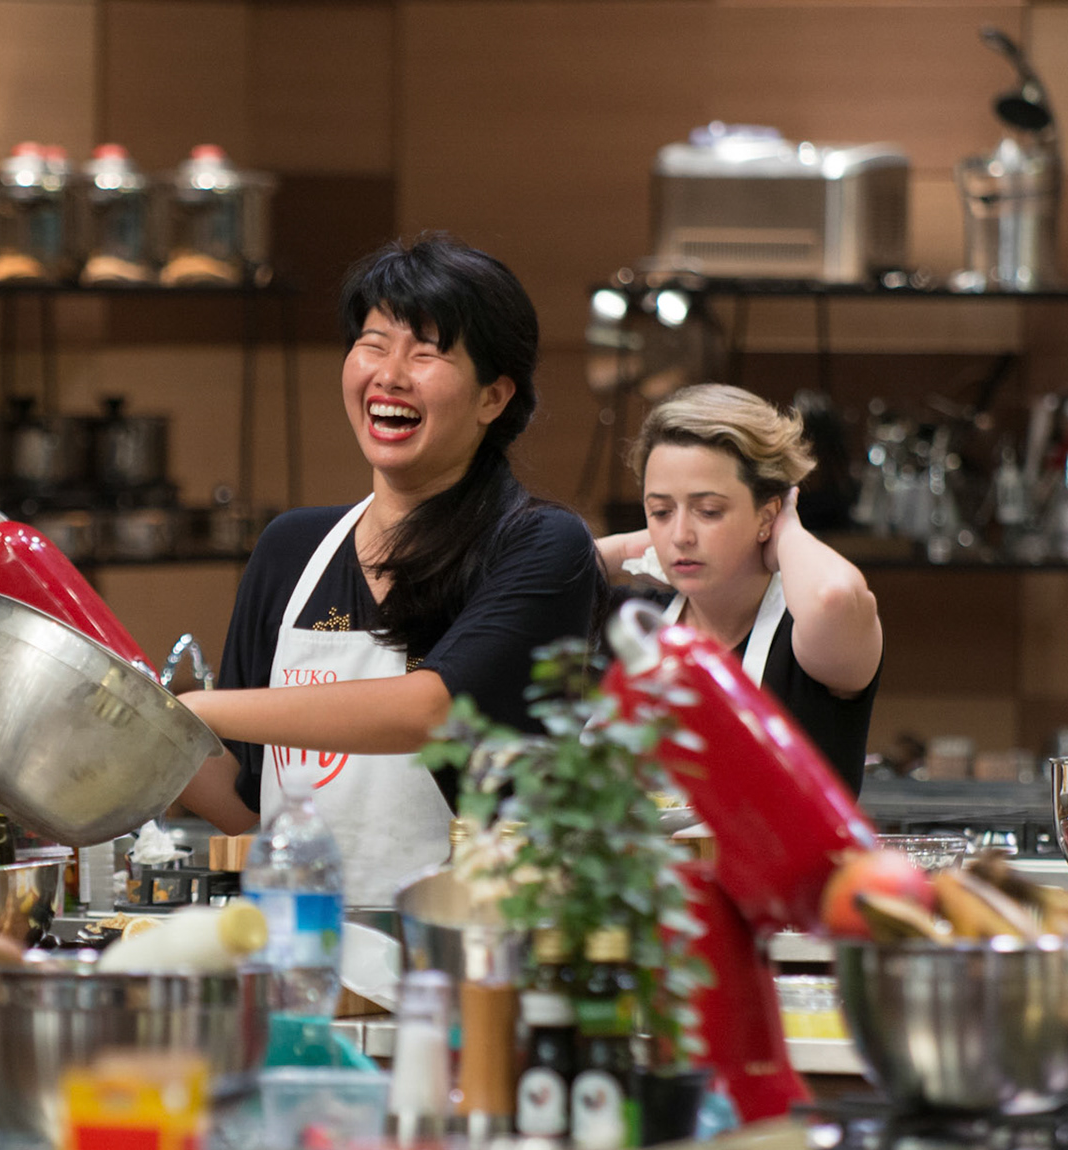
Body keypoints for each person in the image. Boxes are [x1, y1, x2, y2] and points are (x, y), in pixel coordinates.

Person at [177, 234, 602, 905]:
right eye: (373, 343)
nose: (390, 375)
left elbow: (429, 711)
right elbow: (245, 800)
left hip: (468, 944)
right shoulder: (291, 548)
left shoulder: (539, 545)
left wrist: (195, 708)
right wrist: (142, 734)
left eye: (426, 353)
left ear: (493, 397)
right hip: (304, 941)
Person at [595, 384, 882, 793]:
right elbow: (526, 576)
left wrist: (787, 532)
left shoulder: (804, 634)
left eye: (709, 511)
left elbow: (832, 597)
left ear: (767, 515)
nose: (680, 535)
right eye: (660, 511)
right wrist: (627, 548)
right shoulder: (633, 619)